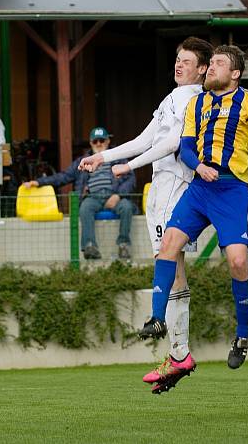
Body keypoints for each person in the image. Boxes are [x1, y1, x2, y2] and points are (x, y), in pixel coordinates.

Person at [78, 37, 213, 393]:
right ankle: (179, 353)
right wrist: (103, 159)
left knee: (168, 257)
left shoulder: (197, 99)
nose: (179, 65)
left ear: (202, 68)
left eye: (187, 61)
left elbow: (173, 144)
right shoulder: (171, 97)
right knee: (174, 265)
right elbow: (144, 139)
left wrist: (129, 167)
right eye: (177, 59)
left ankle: (179, 351)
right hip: (160, 186)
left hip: (177, 186)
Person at [139, 44, 248, 373]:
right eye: (211, 62)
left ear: (235, 73)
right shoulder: (197, 102)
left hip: (232, 190)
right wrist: (198, 167)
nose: (211, 68)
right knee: (168, 247)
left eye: (218, 63)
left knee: (237, 261)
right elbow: (186, 148)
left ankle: (242, 335)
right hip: (201, 187)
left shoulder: (247, 100)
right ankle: (157, 318)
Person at [23, 127, 135, 260]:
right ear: (90, 143)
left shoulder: (118, 157)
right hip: (93, 197)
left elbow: (131, 178)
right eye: (95, 141)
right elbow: (63, 177)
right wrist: (38, 182)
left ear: (108, 141)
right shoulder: (82, 161)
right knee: (84, 208)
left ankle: (124, 245)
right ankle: (89, 246)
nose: (99, 144)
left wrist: (118, 195)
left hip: (114, 196)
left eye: (102, 140)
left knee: (127, 207)